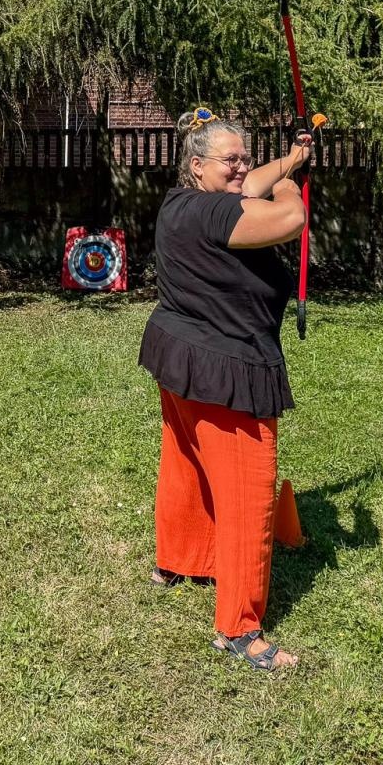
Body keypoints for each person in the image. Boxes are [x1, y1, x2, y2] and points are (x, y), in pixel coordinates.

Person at [138, 107, 313, 673]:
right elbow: (287, 219)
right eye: (229, 160)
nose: (242, 169)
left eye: (244, 157)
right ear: (197, 165)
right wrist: (291, 188)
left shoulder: (180, 203)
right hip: (228, 369)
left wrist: (292, 157)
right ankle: (239, 628)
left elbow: (249, 185)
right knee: (247, 495)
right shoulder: (216, 214)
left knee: (186, 465)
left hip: (181, 354)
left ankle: (181, 559)